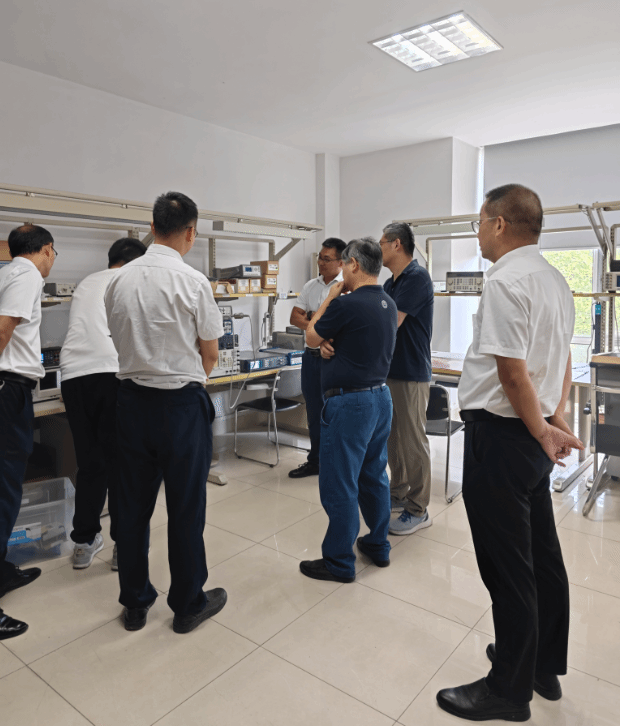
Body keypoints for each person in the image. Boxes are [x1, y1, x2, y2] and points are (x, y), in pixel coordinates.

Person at [436, 184, 584, 722]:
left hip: (502, 438)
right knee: (541, 556)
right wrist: (552, 417)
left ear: (498, 223)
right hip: (530, 436)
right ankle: (541, 665)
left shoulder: (505, 280)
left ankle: (508, 691)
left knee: (508, 568)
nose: (477, 233)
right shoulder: (555, 280)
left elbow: (512, 372)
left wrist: (542, 427)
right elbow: (560, 359)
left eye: (479, 222)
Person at [105, 191, 226, 633]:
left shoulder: (117, 280)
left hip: (131, 404)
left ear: (152, 227)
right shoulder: (193, 282)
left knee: (131, 507)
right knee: (186, 507)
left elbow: (118, 338)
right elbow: (210, 354)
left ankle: (135, 604)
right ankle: (188, 604)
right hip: (180, 407)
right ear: (191, 233)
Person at [299, 237, 397, 583]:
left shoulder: (346, 303)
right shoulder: (387, 303)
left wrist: (329, 297)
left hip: (350, 404)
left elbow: (311, 336)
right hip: (380, 399)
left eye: (343, 263)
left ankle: (339, 562)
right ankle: (378, 545)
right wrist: (332, 345)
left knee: (339, 482)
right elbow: (355, 342)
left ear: (353, 264)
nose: (340, 271)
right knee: (374, 476)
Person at [60, 238, 146, 570]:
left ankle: (84, 542)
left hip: (73, 376)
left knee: (90, 463)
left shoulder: (87, 282)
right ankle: (124, 546)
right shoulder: (130, 282)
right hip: (112, 372)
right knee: (122, 464)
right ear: (135, 263)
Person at [0, 225, 56, 639]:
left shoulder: (5, 272)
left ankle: (2, 572)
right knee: (3, 490)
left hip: (10, 388)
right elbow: (4, 328)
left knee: (7, 486)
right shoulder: (27, 274)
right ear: (46, 250)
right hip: (7, 389)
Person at [380, 222, 434, 535]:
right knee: (393, 439)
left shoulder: (417, 277)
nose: (379, 249)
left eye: (382, 243)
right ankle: (398, 493)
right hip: (390, 371)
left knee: (413, 441)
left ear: (396, 244)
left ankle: (418, 509)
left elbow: (390, 323)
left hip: (412, 373)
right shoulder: (390, 283)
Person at [288, 237, 346, 479]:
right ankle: (316, 461)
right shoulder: (311, 285)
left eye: (326, 259)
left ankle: (336, 464)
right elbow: (294, 317)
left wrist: (312, 320)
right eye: (320, 258)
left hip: (334, 359)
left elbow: (341, 324)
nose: (321, 263)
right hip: (311, 359)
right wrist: (318, 334)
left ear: (341, 262)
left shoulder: (346, 287)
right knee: (314, 411)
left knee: (335, 412)